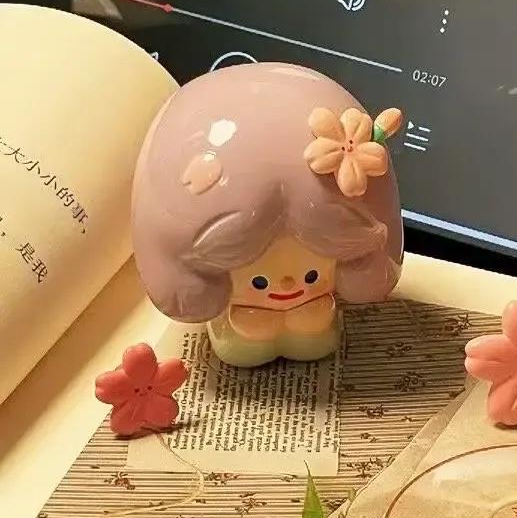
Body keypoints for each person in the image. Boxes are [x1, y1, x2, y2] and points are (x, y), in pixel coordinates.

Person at [132, 62, 403, 366]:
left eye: (311, 275)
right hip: (239, 329)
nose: (288, 286)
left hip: (314, 317)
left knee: (313, 340)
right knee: (243, 350)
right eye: (258, 281)